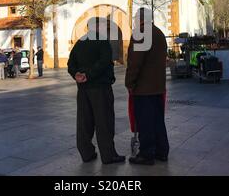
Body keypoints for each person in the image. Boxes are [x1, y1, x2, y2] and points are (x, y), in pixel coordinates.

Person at [68, 17, 125, 165]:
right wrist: (90, 75)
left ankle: (86, 153)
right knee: (104, 121)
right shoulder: (102, 41)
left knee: (84, 122)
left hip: (83, 89)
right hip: (100, 88)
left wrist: (77, 74)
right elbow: (104, 62)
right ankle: (108, 155)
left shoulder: (80, 42)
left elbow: (70, 63)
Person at [126, 8, 169, 166]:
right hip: (158, 86)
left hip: (143, 88)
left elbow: (135, 62)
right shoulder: (159, 33)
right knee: (158, 120)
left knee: (145, 122)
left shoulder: (141, 33)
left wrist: (130, 83)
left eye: (136, 18)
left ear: (140, 19)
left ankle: (146, 154)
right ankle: (162, 151)